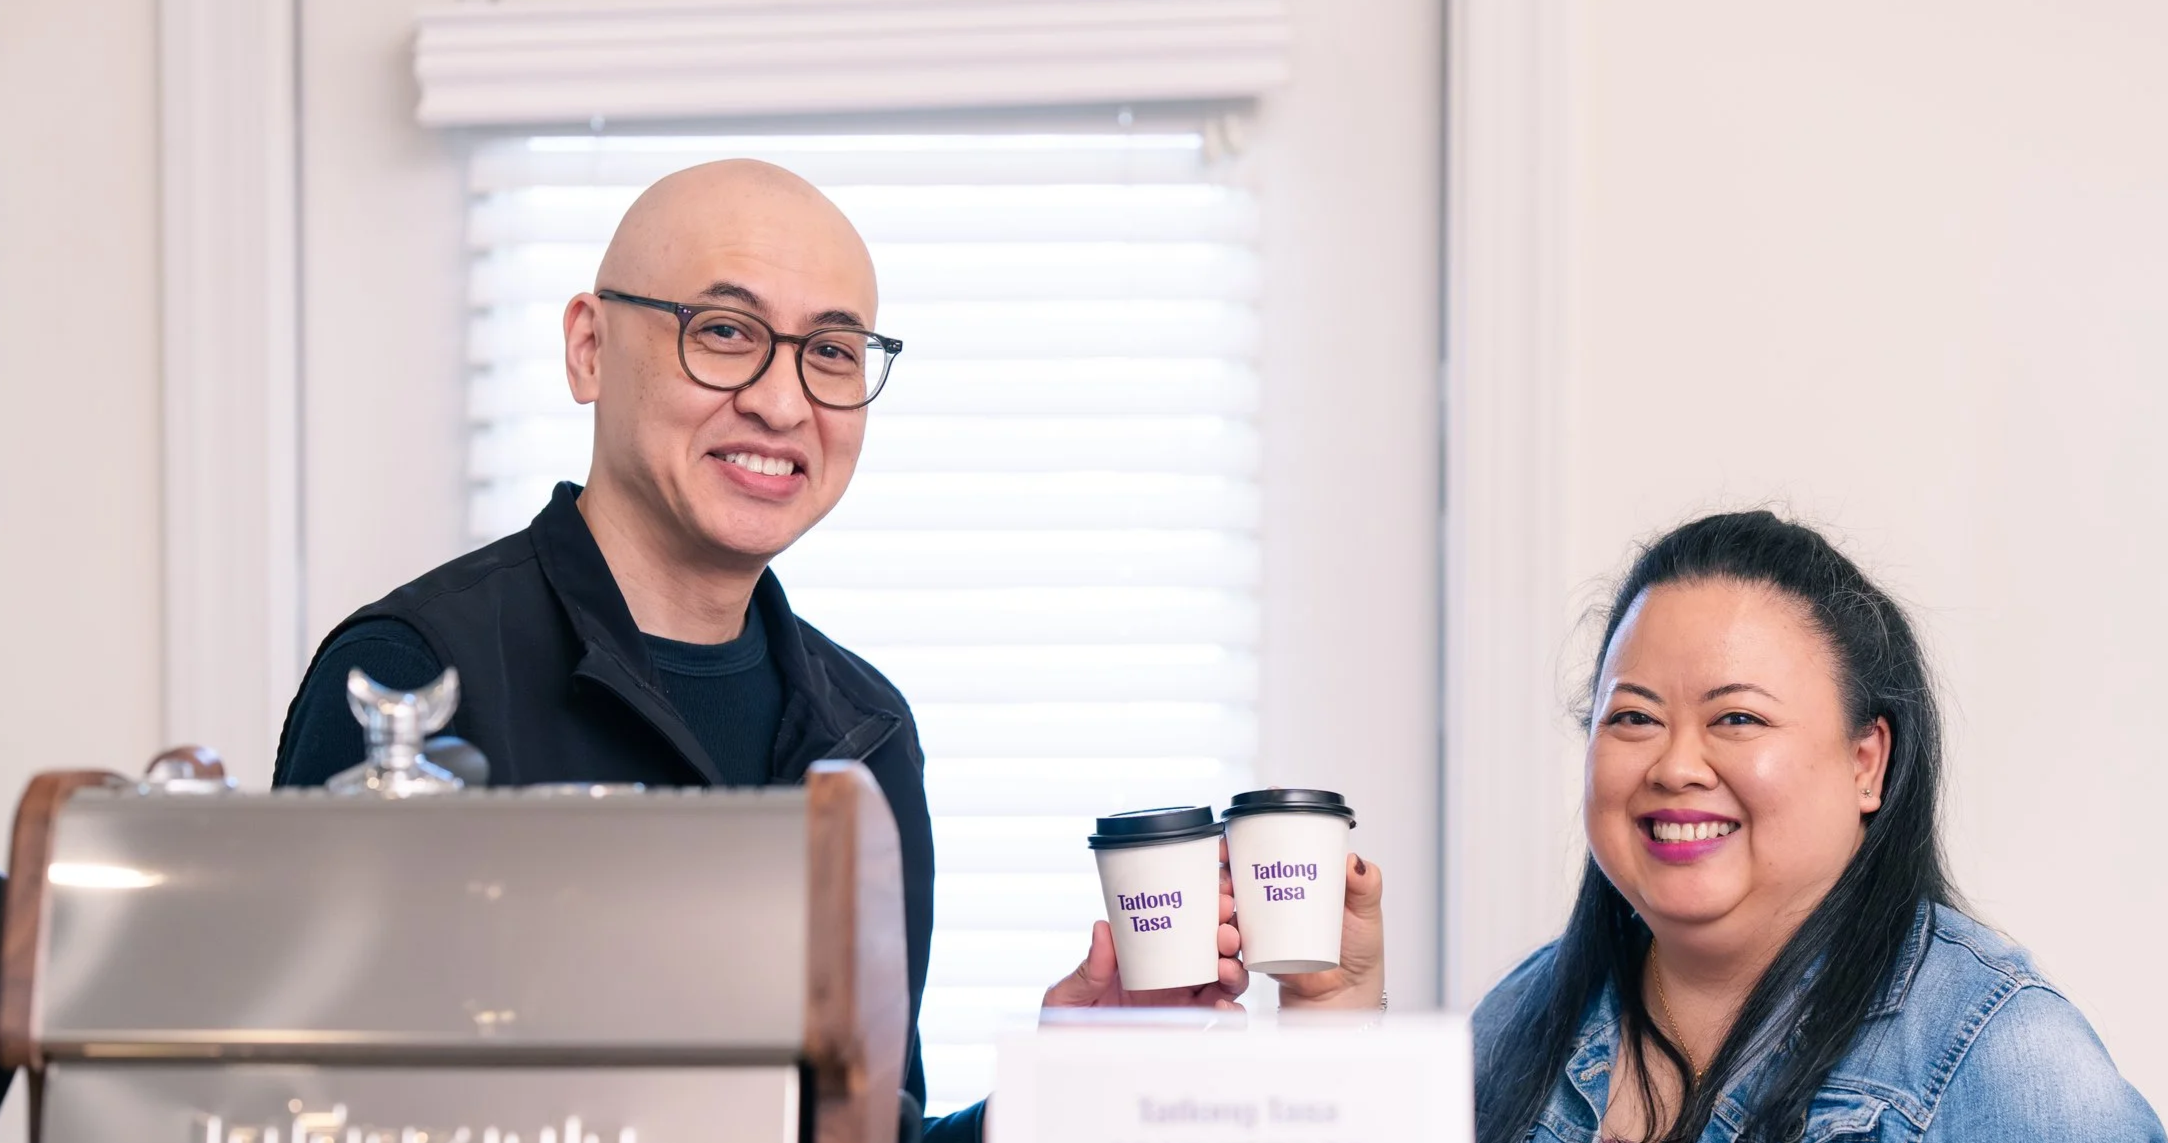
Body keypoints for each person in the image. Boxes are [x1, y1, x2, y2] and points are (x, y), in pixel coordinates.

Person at [271, 160, 1245, 1142]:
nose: (782, 405)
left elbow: (861, 1132)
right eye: (726, 333)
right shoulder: (410, 681)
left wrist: (1054, 1093)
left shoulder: (867, 735)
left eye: (829, 351)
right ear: (589, 348)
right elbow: (317, 1115)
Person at [1460, 511, 2164, 1141]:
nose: (1675, 766)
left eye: (1737, 717)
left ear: (1866, 761)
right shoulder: (1518, 1019)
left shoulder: (2001, 1051)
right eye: (1634, 717)